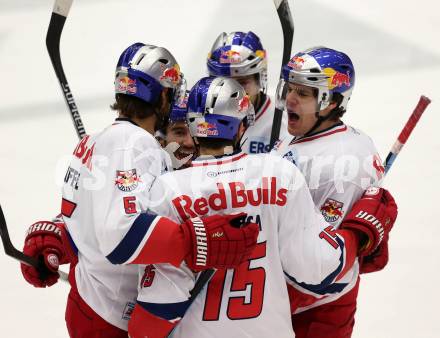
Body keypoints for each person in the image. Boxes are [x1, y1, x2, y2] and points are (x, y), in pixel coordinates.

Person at [125, 76, 397, 338]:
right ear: (242, 126)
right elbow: (318, 270)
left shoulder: (166, 190)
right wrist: (359, 232)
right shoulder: (280, 173)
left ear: (194, 127)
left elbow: (158, 307)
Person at [20, 43, 259, 337]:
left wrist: (52, 238)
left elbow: (93, 215)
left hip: (94, 304)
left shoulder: (99, 142)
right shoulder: (134, 145)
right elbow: (119, 232)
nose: (187, 141)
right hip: (114, 314)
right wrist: (196, 240)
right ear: (163, 95)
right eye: (178, 131)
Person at [273, 46, 395, 337]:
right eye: (290, 88)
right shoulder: (305, 138)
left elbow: (324, 261)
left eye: (303, 93)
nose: (290, 98)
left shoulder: (345, 161)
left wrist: (266, 304)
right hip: (289, 296)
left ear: (330, 102)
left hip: (315, 309)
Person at [207, 31, 287, 154]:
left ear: (260, 79)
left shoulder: (284, 122)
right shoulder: (202, 118)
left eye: (242, 82)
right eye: (224, 83)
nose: (233, 92)